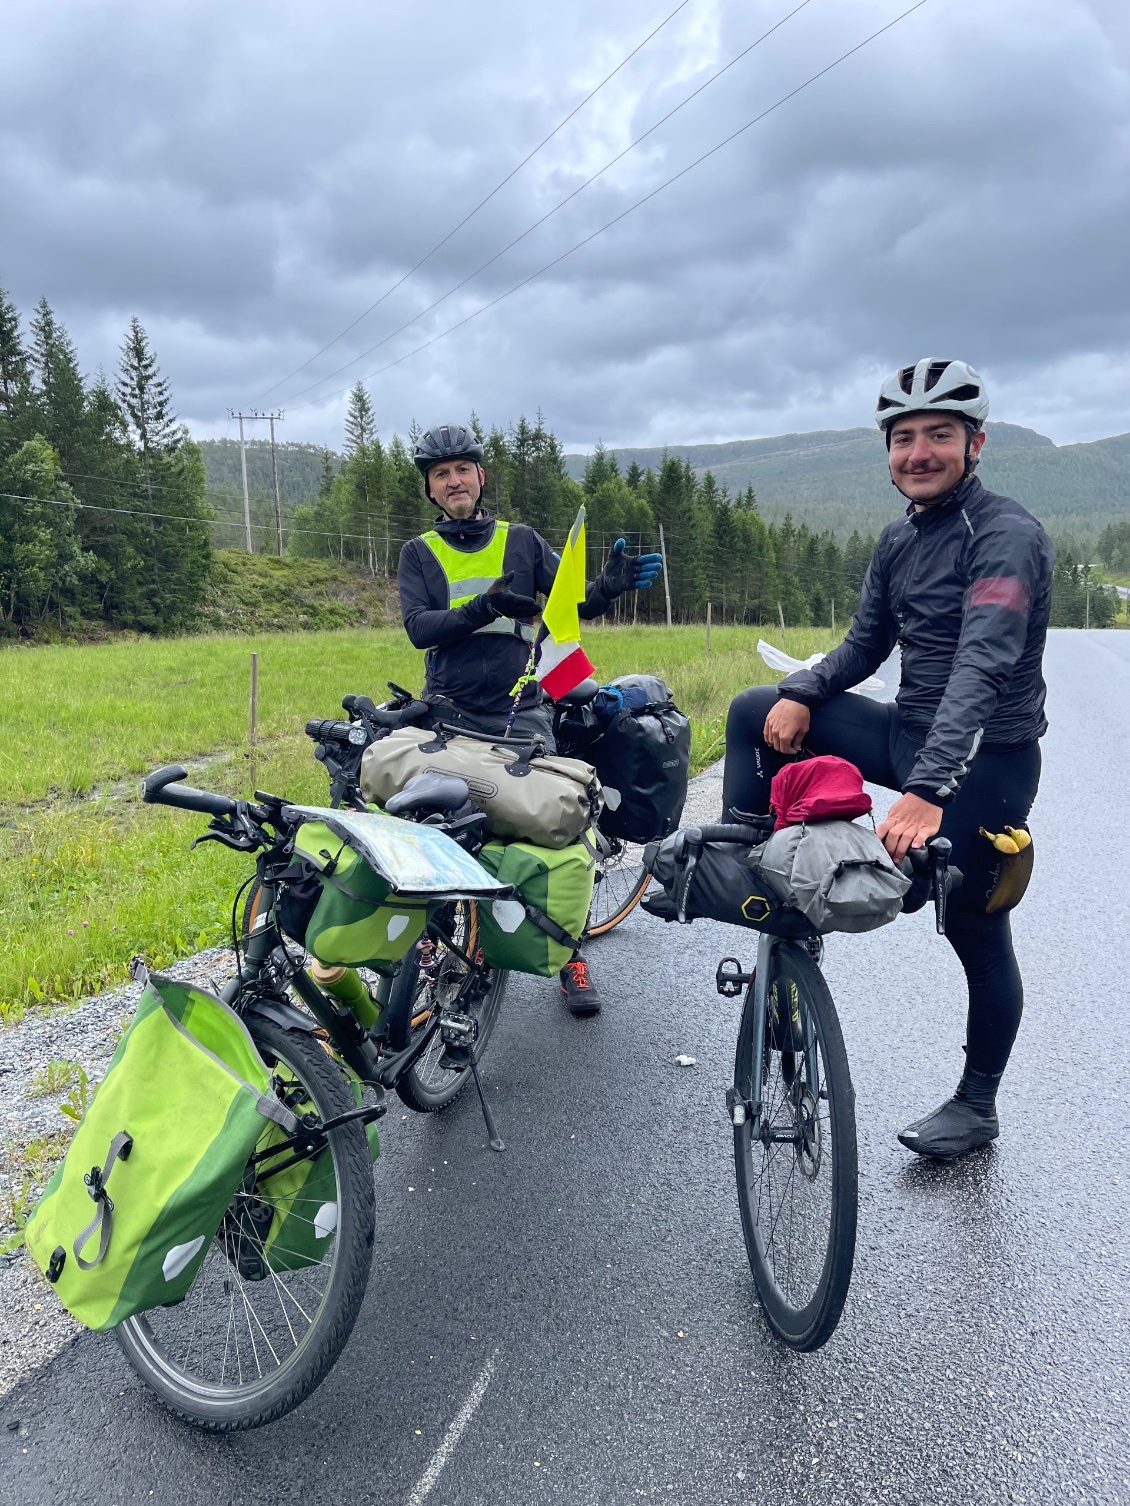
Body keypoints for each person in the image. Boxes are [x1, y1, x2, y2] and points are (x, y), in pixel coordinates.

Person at [721, 358, 1054, 1158]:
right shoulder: (901, 536)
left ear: (975, 445)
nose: (919, 452)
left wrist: (929, 790)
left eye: (939, 435)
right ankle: (757, 874)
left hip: (985, 765)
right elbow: (867, 644)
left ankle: (977, 1105)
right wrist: (802, 689)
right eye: (904, 438)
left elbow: (984, 668)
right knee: (753, 711)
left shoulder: (1006, 538)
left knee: (975, 931)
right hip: (910, 738)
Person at [397, 422, 663, 1015]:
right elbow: (420, 629)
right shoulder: (419, 553)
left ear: (480, 477)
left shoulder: (520, 539)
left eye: (462, 469)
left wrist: (606, 590)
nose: (454, 480)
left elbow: (567, 605)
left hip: (523, 706)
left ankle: (568, 951)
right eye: (441, 474)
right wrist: (484, 605)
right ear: (432, 491)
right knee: (442, 825)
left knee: (552, 824)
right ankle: (451, 937)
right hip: (449, 707)